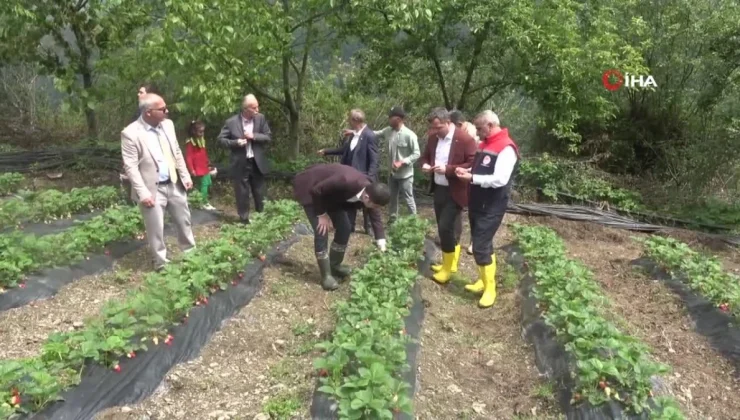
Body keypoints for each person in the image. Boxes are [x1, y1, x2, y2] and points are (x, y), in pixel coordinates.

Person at [121, 93, 196, 271]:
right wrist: (143, 193)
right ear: (148, 112)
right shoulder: (130, 133)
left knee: (184, 221)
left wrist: (185, 176)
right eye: (162, 109)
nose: (166, 111)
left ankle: (191, 254)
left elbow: (176, 151)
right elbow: (130, 167)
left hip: (174, 183)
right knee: (156, 228)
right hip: (152, 190)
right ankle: (161, 263)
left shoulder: (167, 125)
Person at [455, 110, 519, 308]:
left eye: (481, 128)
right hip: (477, 201)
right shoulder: (484, 144)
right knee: (482, 243)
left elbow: (500, 179)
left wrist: (472, 178)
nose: (479, 132)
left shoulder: (506, 148)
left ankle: (490, 289)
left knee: (481, 245)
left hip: (492, 205)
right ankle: (482, 280)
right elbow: (481, 168)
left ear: (490, 126)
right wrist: (468, 171)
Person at [293, 163, 390, 290]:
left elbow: (375, 216)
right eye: (376, 206)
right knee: (322, 229)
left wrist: (381, 245)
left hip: (332, 197)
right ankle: (326, 276)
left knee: (345, 227)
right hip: (312, 190)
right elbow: (316, 191)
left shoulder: (372, 192)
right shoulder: (346, 181)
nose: (376, 209)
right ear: (366, 198)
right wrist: (322, 214)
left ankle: (334, 265)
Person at [420, 107, 477, 283]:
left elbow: (472, 162)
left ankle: (447, 269)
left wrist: (448, 170)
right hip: (439, 188)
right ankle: (447, 263)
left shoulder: (464, 139)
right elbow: (424, 157)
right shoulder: (432, 139)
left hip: (456, 190)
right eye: (433, 128)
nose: (436, 132)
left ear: (448, 122)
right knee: (442, 226)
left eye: (439, 128)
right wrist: (425, 165)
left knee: (446, 226)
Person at [319, 109, 379, 236]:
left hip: (363, 176)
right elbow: (344, 150)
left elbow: (374, 160)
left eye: (350, 119)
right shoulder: (353, 134)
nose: (348, 122)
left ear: (355, 120)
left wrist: (370, 178)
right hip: (349, 177)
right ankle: (349, 228)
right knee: (350, 202)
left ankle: (371, 231)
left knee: (367, 204)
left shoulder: (369, 135)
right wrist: (327, 151)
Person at [217, 94, 272, 224]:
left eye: (258, 107)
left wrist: (254, 136)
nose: (257, 110)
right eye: (254, 108)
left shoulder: (260, 119)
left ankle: (262, 219)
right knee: (242, 192)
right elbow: (220, 140)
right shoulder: (231, 122)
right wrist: (235, 143)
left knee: (260, 192)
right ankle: (244, 220)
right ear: (246, 109)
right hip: (240, 162)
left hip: (256, 162)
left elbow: (268, 137)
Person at [372, 106, 421, 224]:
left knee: (408, 199)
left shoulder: (410, 135)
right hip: (392, 174)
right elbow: (373, 134)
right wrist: (356, 132)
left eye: (390, 117)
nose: (388, 119)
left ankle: (413, 222)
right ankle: (393, 221)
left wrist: (403, 162)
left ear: (398, 119)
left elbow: (417, 153)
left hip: (405, 175)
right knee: (392, 198)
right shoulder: (387, 131)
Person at [185, 120, 217, 210]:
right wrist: (191, 169)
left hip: (204, 166)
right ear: (194, 132)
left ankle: (197, 201)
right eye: (200, 132)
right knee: (204, 184)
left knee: (207, 182)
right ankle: (204, 202)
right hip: (198, 168)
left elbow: (203, 153)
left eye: (203, 131)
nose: (202, 133)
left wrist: (208, 163)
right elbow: (189, 157)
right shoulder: (190, 142)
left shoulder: (201, 140)